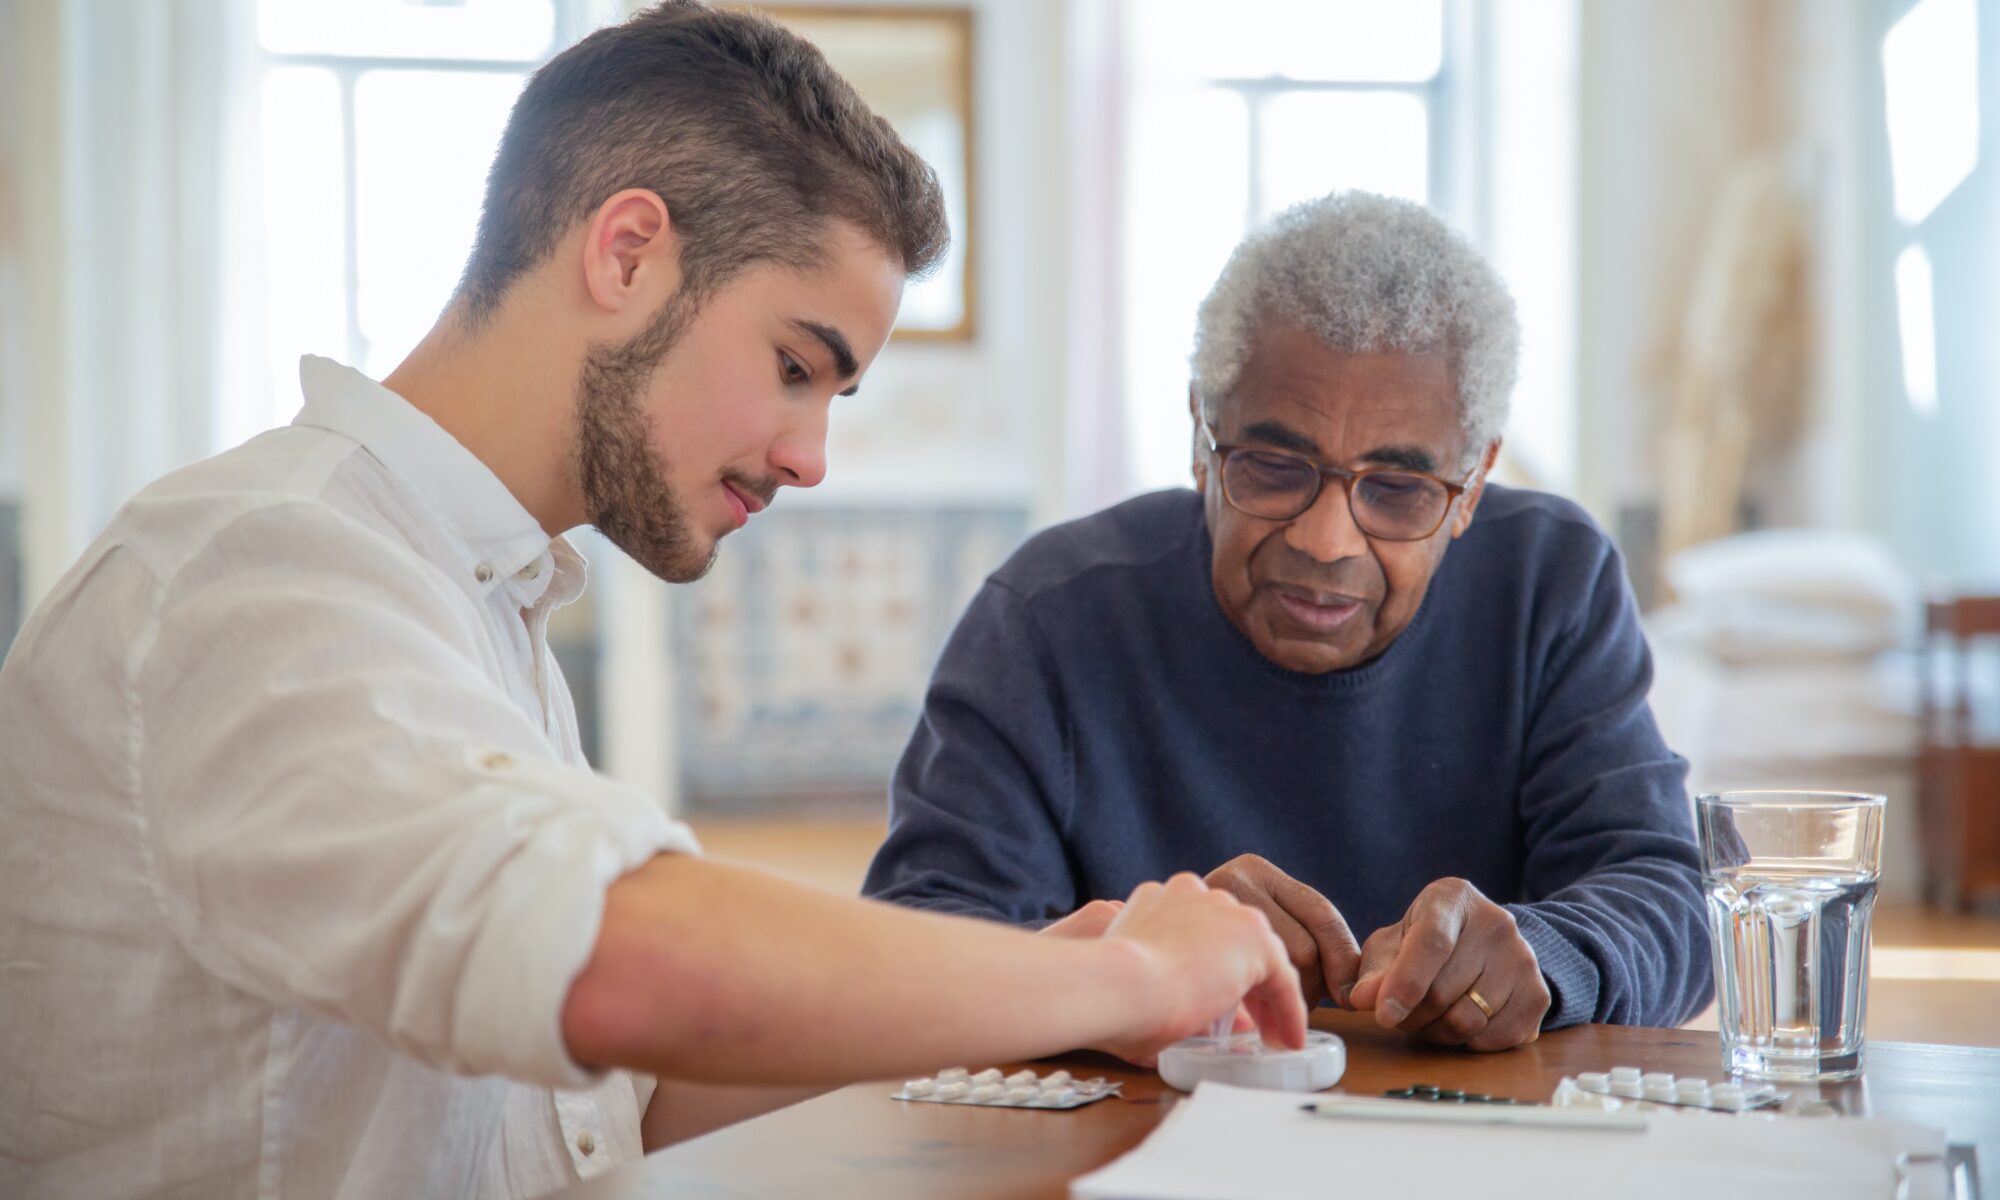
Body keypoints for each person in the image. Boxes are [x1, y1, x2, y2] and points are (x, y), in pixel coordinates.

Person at [0, 5, 1305, 1197]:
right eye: (796, 366)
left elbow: (621, 1098)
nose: (810, 456)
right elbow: (616, 958)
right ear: (627, 252)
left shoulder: (472, 599)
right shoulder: (253, 569)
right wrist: (1112, 972)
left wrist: (1040, 997)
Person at [865, 191, 1713, 1054]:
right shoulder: (1050, 616)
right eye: (1273, 467)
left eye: (1399, 490)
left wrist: (1549, 950)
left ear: (1474, 482)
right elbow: (917, 952)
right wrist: (1139, 959)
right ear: (1201, 436)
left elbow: (1670, 898)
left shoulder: (1551, 584)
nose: (1324, 539)